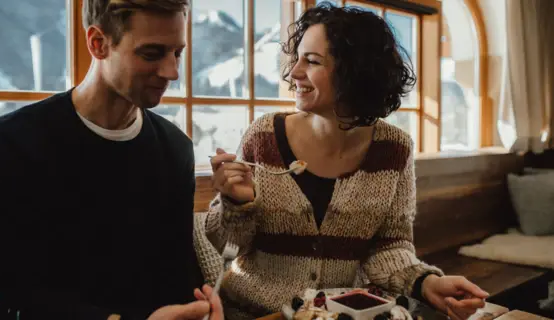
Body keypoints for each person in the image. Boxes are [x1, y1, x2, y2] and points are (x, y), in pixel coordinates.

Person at [205, 3, 488, 320]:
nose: (293, 72)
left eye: (311, 61)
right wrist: (235, 203)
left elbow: (389, 247)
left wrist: (428, 283)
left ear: (355, 72)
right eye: (296, 58)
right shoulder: (264, 137)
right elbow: (223, 244)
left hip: (338, 315)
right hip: (253, 313)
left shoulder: (394, 150)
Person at [0, 0, 223, 319]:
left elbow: (175, 271)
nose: (172, 72)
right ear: (98, 43)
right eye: (151, 54)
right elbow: (9, 294)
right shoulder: (7, 146)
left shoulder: (174, 149)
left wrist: (199, 309)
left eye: (177, 53)